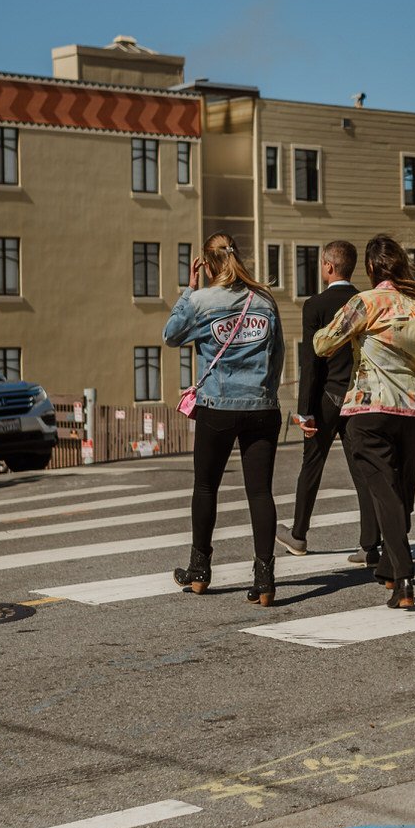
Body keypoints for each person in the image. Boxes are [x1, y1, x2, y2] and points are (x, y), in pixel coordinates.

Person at [312, 234, 415, 611]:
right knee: (401, 493)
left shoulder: (364, 303)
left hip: (368, 413)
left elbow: (323, 344)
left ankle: (404, 576)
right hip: (412, 414)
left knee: (384, 493)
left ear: (370, 268)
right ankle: (387, 567)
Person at [160, 233, 285, 605]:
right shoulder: (264, 300)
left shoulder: (201, 302)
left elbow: (170, 335)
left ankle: (199, 571)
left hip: (218, 406)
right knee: (260, 491)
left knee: (205, 487)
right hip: (261, 407)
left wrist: (189, 290)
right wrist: (266, 393)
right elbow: (277, 355)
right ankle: (264, 578)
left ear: (207, 263)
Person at [288, 239, 376, 564]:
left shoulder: (315, 305)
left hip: (326, 397)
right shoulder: (364, 303)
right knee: (363, 470)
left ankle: (298, 535)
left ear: (328, 266)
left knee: (311, 465)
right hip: (358, 397)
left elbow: (310, 362)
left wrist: (304, 410)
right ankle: (370, 545)